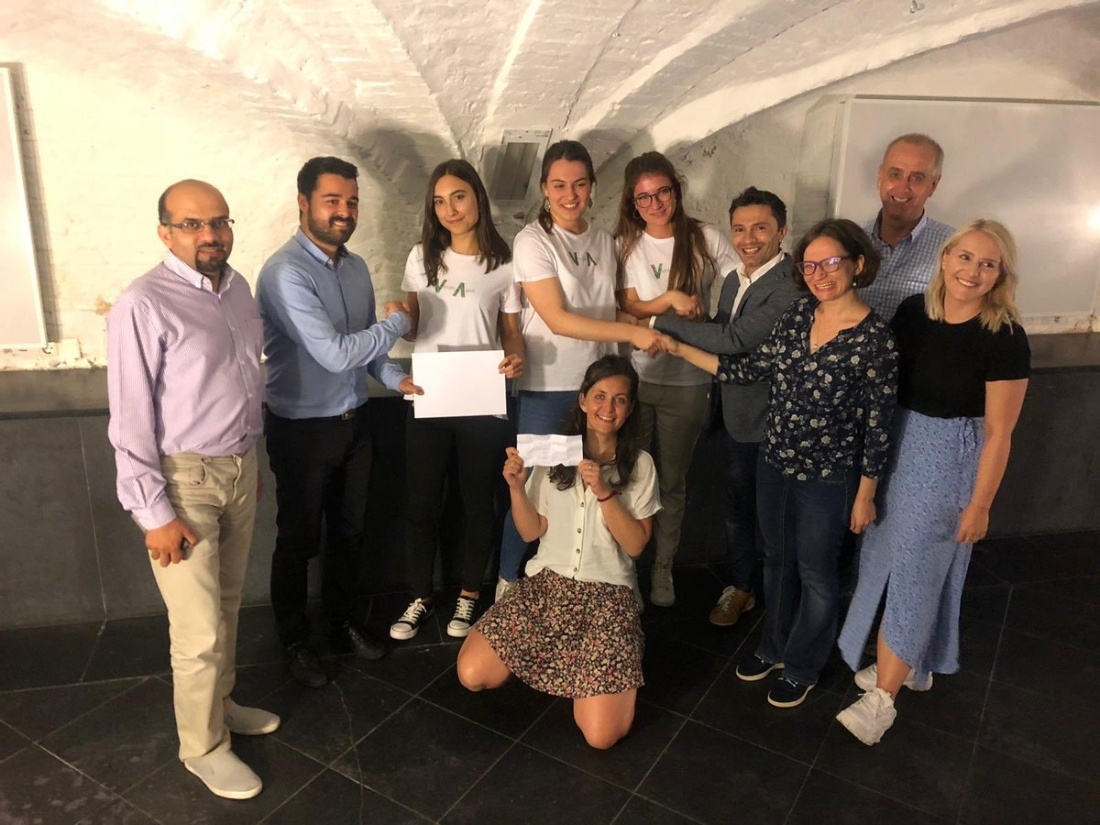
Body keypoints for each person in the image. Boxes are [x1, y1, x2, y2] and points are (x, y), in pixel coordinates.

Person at [657, 218, 898, 708]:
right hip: (775, 462)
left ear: (857, 263)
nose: (821, 274)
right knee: (777, 562)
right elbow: (744, 370)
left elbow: (878, 427)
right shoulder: (797, 317)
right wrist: (679, 346)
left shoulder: (876, 340)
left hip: (829, 478)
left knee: (816, 572)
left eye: (832, 262)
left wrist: (866, 494)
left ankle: (805, 664)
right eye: (811, 265)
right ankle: (773, 647)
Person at [107, 180, 276, 800]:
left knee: (227, 605)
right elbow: (128, 419)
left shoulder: (237, 289)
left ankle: (219, 707)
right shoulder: (142, 303)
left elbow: (244, 381)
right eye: (192, 224)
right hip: (183, 482)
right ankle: (202, 748)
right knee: (198, 627)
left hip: (236, 469)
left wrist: (247, 464)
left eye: (220, 222)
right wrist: (153, 513)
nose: (210, 235)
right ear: (165, 232)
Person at [836, 220, 1030, 745]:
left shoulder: (1005, 335)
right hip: (896, 445)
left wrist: (980, 505)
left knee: (919, 570)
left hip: (949, 459)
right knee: (881, 557)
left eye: (987, 263)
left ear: (999, 275)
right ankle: (911, 662)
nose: (973, 271)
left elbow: (999, 433)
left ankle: (883, 700)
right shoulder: (912, 314)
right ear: (944, 259)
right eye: (965, 257)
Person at [257, 157, 420, 688]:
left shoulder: (354, 267)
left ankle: (340, 621)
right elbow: (333, 353)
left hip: (355, 421)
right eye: (332, 201)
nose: (344, 212)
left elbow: (364, 351)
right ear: (303, 202)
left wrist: (396, 380)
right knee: (299, 540)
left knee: (349, 534)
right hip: (302, 430)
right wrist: (398, 321)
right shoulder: (285, 273)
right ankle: (295, 639)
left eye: (351, 202)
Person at [457, 355, 660, 749]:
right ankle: (570, 665)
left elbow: (635, 545)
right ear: (583, 400)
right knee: (472, 674)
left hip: (608, 595)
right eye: (600, 396)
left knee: (602, 737)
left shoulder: (641, 465)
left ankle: (597, 661)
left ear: (630, 408)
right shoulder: (555, 454)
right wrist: (516, 487)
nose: (608, 408)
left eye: (620, 400)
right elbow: (532, 529)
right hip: (548, 585)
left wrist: (604, 492)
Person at [496, 140, 662, 596]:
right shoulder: (532, 240)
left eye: (579, 184)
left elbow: (610, 313)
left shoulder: (604, 240)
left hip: (597, 391)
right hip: (549, 389)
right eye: (558, 185)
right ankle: (508, 584)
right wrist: (631, 334)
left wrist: (658, 322)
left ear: (592, 187)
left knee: (599, 490)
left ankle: (596, 586)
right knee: (531, 490)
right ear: (545, 189)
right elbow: (557, 319)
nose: (570, 195)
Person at [388, 159, 524, 641]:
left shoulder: (504, 263)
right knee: (422, 503)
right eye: (439, 201)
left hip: (482, 397)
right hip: (429, 394)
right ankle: (420, 595)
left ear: (478, 199)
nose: (449, 209)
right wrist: (396, 317)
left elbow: (511, 333)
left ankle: (468, 596)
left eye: (459, 197)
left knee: (475, 502)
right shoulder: (420, 256)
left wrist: (517, 359)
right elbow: (414, 327)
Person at [653, 187, 801, 623]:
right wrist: (696, 321)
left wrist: (660, 321)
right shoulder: (735, 278)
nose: (748, 238)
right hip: (733, 414)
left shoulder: (789, 285)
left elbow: (735, 341)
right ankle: (743, 587)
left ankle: (782, 606)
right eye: (740, 228)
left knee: (775, 519)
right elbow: (724, 327)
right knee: (736, 508)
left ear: (782, 231)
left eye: (761, 228)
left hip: (772, 422)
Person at [614, 151, 739, 607]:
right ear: (632, 201)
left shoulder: (705, 236)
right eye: (643, 196)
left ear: (676, 191)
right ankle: (625, 569)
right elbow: (625, 305)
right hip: (638, 377)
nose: (654, 202)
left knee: (671, 482)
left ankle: (663, 569)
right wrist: (667, 299)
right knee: (628, 477)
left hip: (688, 380)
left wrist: (716, 324)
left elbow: (737, 284)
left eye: (662, 191)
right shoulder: (626, 243)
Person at [860, 133, 955, 321]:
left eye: (917, 178)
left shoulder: (953, 249)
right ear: (880, 177)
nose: (903, 188)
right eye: (895, 174)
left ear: (933, 185)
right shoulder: (851, 239)